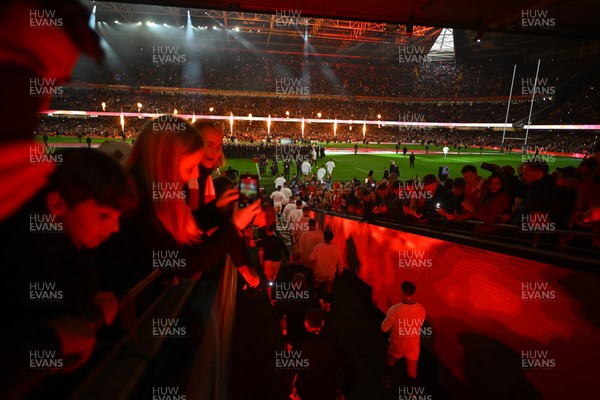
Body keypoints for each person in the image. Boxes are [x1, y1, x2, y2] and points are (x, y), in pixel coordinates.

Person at [2, 148, 136, 398]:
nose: (115, 228)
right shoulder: (29, 260)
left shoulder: (63, 246)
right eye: (104, 215)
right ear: (57, 204)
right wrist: (52, 341)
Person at [99, 115, 261, 294]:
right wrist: (234, 226)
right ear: (169, 158)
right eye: (190, 166)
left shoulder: (152, 187)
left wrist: (215, 208)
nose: (193, 173)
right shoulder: (143, 196)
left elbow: (184, 228)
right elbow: (183, 260)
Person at [290, 309, 353, 400]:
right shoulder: (334, 343)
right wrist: (344, 390)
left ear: (306, 323)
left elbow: (288, 373)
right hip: (328, 395)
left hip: (305, 394)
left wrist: (290, 389)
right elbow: (350, 369)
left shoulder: (300, 345)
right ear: (322, 323)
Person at [381, 281, 426, 389]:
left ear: (402, 292)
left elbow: (384, 328)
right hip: (413, 345)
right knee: (412, 374)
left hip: (397, 344)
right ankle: (413, 394)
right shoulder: (421, 309)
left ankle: (387, 381)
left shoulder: (395, 310)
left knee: (390, 362)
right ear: (413, 293)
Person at [309, 230, 343, 312]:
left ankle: (321, 302)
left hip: (320, 271)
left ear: (324, 237)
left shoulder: (318, 247)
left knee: (317, 286)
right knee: (329, 289)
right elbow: (340, 262)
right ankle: (328, 305)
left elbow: (311, 258)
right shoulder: (336, 249)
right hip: (331, 272)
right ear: (332, 238)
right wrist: (340, 271)